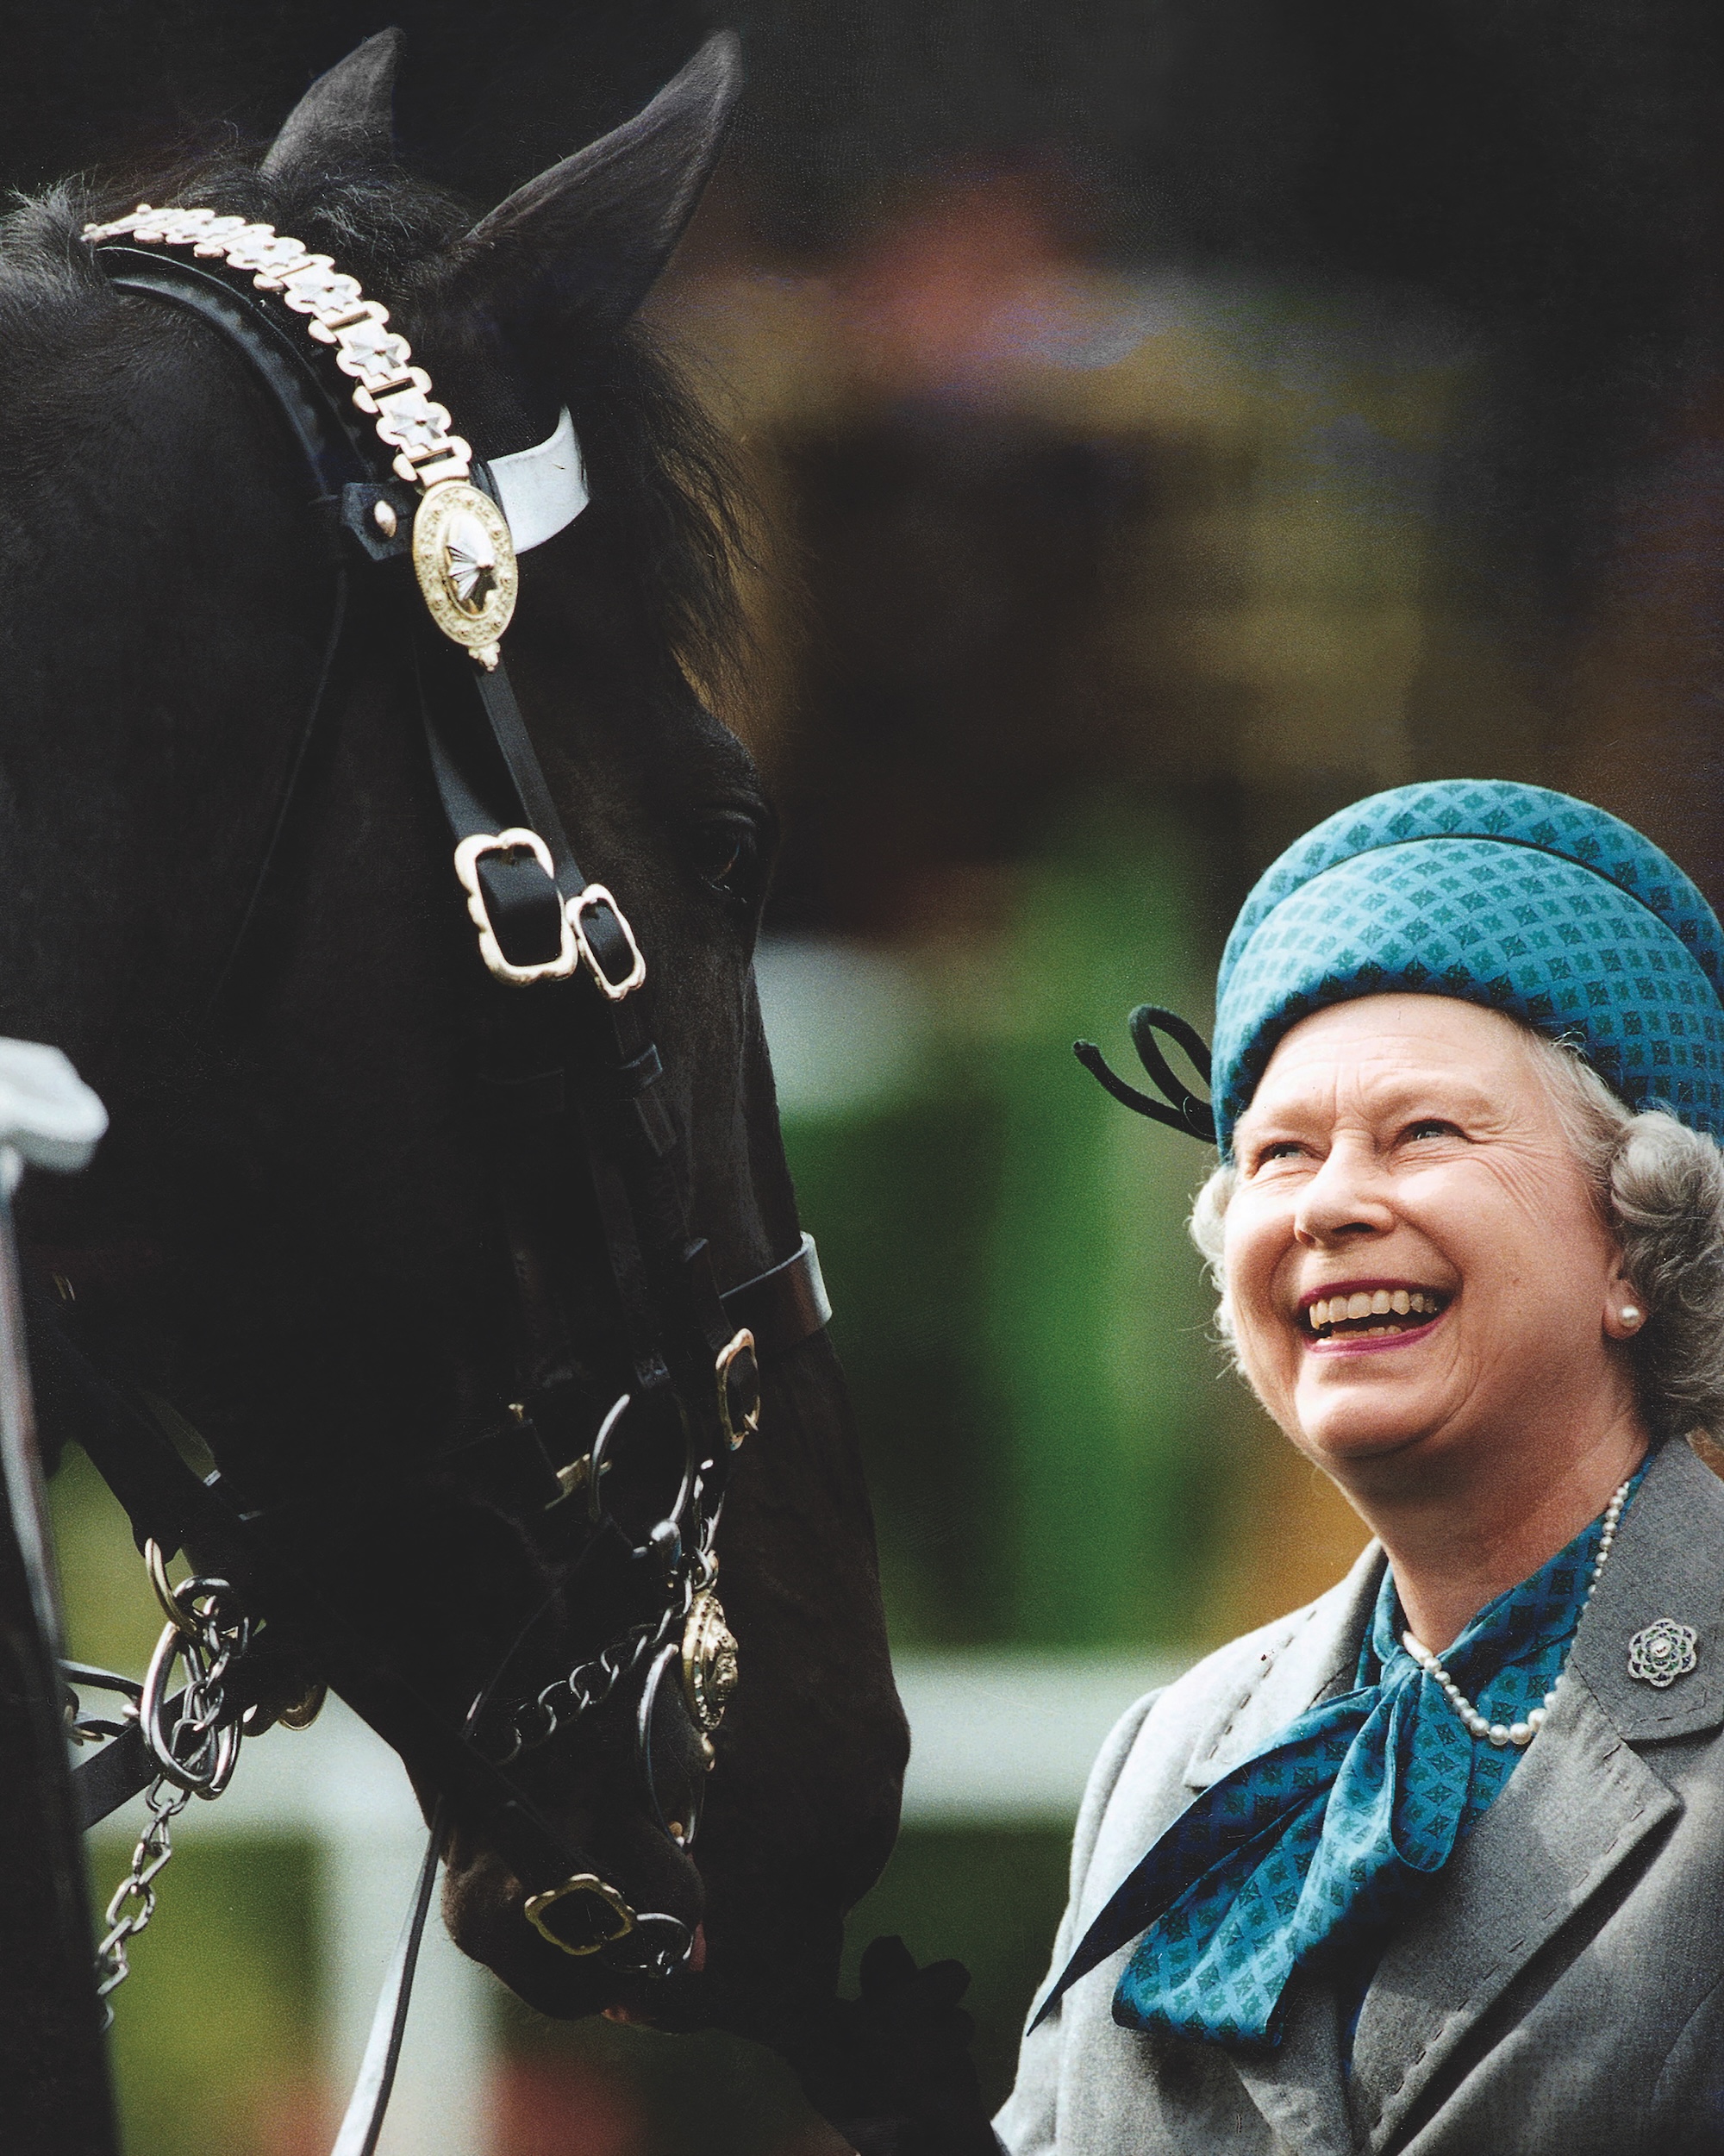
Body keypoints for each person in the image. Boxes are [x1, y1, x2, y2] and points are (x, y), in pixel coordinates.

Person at [995, 779, 1724, 2155]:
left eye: (1424, 1134)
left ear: (1638, 1243)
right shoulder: (1165, 1760)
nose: (1329, 1204)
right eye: (1278, 1154)